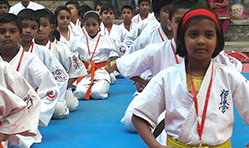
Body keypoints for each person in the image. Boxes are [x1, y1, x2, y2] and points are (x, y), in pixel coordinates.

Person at [131, 8, 249, 147]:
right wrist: (156, 146)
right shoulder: (166, 77)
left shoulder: (230, 77)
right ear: (182, 39)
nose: (201, 41)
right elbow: (139, 116)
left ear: (217, 40)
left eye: (209, 35)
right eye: (193, 35)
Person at [0, 13, 59, 128]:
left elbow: (51, 90)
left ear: (20, 36)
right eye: (2, 32)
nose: (7, 35)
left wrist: (34, 115)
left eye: (13, 31)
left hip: (23, 115)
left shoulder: (30, 60)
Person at [17, 9, 69, 120]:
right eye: (24, 26)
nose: (28, 31)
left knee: (59, 111)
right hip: (14, 95)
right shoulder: (10, 50)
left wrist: (50, 97)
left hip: (39, 94)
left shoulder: (43, 52)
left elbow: (61, 77)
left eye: (33, 28)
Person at [35, 9, 86, 112]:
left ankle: (66, 98)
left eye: (44, 25)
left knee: (63, 109)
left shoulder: (61, 48)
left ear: (52, 27)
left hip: (58, 88)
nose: (40, 29)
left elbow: (76, 70)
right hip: (33, 89)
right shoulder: (25, 49)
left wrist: (62, 88)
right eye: (36, 26)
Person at [69, 11, 127, 100]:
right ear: (83, 24)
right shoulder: (77, 40)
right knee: (80, 93)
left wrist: (113, 66)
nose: (91, 28)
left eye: (94, 25)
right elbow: (68, 55)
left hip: (102, 71)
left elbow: (125, 52)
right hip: (85, 72)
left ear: (99, 24)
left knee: (97, 93)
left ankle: (100, 86)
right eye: (87, 25)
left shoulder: (108, 40)